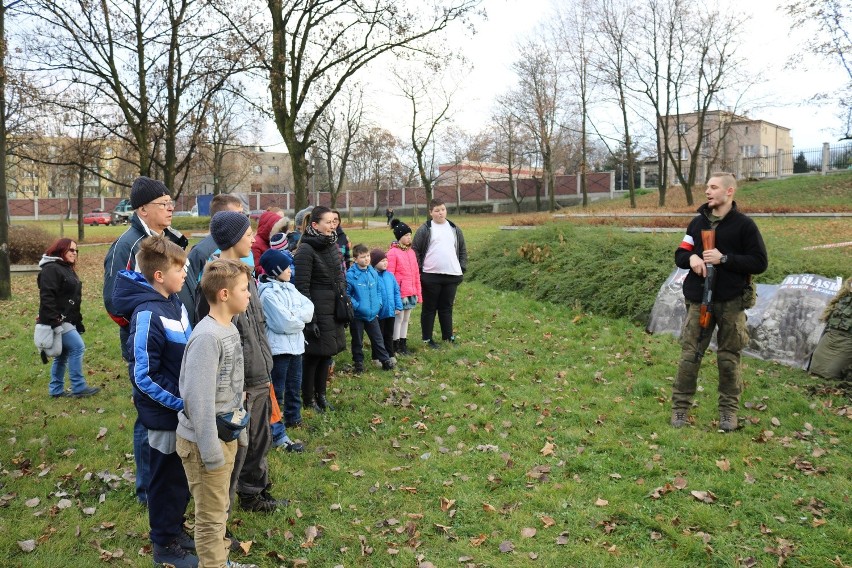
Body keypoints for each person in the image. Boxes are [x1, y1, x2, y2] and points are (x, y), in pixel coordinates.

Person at [111, 236, 197, 568]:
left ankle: (174, 530)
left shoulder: (174, 303)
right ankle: (163, 544)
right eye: (180, 267)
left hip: (182, 410)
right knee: (165, 479)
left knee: (181, 477)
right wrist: (181, 402)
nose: (186, 271)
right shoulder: (147, 314)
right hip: (165, 414)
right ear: (159, 275)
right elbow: (144, 375)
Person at [103, 176, 188, 507]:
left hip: (172, 337)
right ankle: (147, 489)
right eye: (163, 204)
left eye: (171, 203)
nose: (170, 208)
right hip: (148, 342)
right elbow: (115, 302)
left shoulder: (162, 239)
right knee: (149, 415)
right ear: (142, 209)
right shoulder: (128, 245)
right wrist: (145, 322)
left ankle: (167, 479)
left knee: (165, 413)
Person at [197, 211, 283, 514]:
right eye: (248, 234)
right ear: (234, 239)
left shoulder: (248, 277)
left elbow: (258, 326)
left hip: (261, 372)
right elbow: (210, 333)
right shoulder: (215, 282)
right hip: (241, 381)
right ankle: (230, 505)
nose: (252, 238)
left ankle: (255, 491)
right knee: (241, 443)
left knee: (261, 438)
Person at [672, 172, 768, 432]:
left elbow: (759, 262)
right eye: (707, 187)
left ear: (729, 192)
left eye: (713, 187)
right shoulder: (696, 223)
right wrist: (691, 259)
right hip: (698, 302)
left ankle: (728, 413)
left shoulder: (744, 226)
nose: (707, 191)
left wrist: (725, 259)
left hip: (731, 303)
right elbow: (680, 252)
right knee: (690, 355)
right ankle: (680, 409)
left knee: (728, 358)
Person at [176, 259, 257, 568]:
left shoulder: (229, 328)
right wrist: (211, 453)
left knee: (220, 508)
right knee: (210, 517)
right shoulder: (208, 337)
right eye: (243, 289)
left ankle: (220, 562)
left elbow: (233, 389)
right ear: (224, 294)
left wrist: (239, 431)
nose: (248, 294)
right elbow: (198, 402)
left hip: (226, 435)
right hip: (205, 444)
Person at [292, 206, 347, 411]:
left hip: (332, 308)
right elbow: (302, 287)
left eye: (334, 221)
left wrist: (343, 302)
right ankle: (308, 399)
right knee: (313, 356)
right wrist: (310, 319)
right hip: (316, 309)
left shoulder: (331, 244)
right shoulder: (306, 249)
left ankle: (321, 395)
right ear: (315, 225)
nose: (333, 225)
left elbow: (339, 275)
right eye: (328, 222)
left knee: (327, 354)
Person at [258, 249, 314, 447]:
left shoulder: (290, 288)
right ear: (276, 270)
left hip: (296, 346)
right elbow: (282, 323)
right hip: (279, 349)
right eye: (287, 268)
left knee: (294, 384)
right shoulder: (267, 294)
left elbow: (309, 307)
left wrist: (295, 316)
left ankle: (294, 417)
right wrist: (299, 320)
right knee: (278, 388)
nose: (291, 271)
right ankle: (275, 423)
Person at [37, 238, 100, 398]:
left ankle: (56, 390)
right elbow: (47, 298)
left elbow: (72, 299)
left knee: (62, 355)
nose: (74, 253)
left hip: (67, 320)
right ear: (60, 250)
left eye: (76, 250)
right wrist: (54, 322)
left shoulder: (66, 268)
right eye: (71, 250)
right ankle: (78, 387)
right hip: (57, 320)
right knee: (77, 347)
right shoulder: (51, 269)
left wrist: (78, 322)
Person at [177, 193, 244, 327]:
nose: (243, 220)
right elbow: (193, 294)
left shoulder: (246, 248)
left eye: (243, 215)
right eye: (237, 216)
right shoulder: (201, 252)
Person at [411, 198, 467, 348]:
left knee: (446, 308)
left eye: (442, 209)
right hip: (430, 276)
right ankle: (427, 339)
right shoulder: (425, 229)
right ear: (431, 213)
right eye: (437, 210)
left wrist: (461, 268)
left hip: (452, 275)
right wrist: (420, 270)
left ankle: (448, 336)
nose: (440, 213)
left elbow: (462, 250)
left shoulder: (454, 228)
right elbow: (415, 249)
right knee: (429, 308)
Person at [346, 244, 394, 373]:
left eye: (367, 256)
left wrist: (378, 303)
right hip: (358, 315)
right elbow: (347, 294)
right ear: (355, 259)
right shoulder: (351, 275)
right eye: (362, 257)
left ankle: (385, 360)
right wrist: (358, 306)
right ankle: (358, 363)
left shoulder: (372, 272)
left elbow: (378, 289)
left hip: (372, 313)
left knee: (378, 338)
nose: (366, 259)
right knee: (357, 340)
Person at [386, 219, 421, 356]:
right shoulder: (392, 253)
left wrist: (418, 292)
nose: (409, 238)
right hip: (400, 293)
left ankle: (403, 343)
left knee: (406, 319)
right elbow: (390, 276)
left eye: (410, 235)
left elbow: (416, 274)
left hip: (411, 292)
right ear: (399, 236)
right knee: (398, 319)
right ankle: (394, 344)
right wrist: (393, 295)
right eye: (406, 235)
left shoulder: (411, 252)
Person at [809, 276, 852, 381]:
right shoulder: (843, 295)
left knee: (830, 372)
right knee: (815, 368)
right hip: (831, 336)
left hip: (848, 341)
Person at [371, 248, 402, 365]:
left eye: (386, 260)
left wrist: (398, 306)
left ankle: (390, 354)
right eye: (382, 261)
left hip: (390, 311)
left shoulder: (390, 276)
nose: (385, 263)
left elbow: (396, 291)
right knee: (378, 336)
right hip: (379, 312)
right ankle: (376, 357)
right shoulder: (372, 276)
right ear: (374, 262)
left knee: (389, 334)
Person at [251, 208, 284, 273]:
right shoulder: (256, 244)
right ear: (270, 228)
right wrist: (276, 269)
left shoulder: (271, 241)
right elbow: (256, 268)